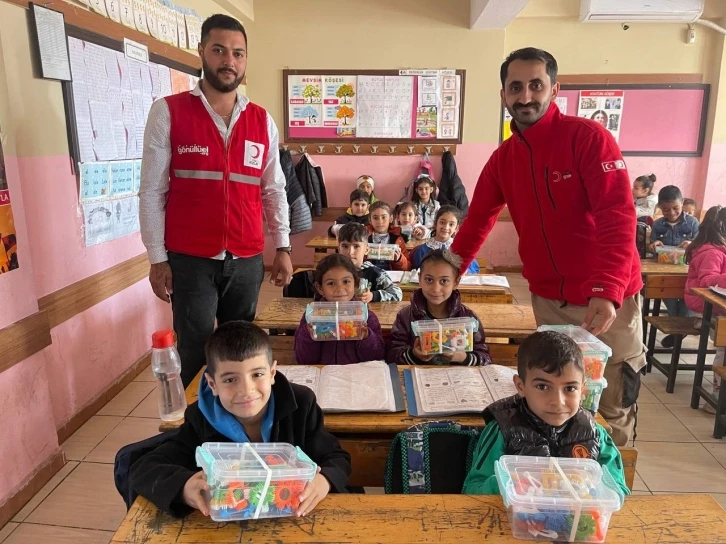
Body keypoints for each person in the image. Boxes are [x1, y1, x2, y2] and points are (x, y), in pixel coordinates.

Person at [451, 47, 644, 447]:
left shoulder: (588, 138)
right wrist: (450, 268)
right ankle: (561, 485)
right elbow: (478, 219)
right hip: (550, 302)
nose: (525, 97)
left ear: (554, 89)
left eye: (535, 85)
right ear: (503, 94)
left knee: (611, 404)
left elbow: (618, 215)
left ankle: (612, 490)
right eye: (515, 87)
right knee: (556, 402)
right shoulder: (503, 158)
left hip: (609, 301)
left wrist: (607, 290)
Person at [139, 14, 293, 387]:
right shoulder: (169, 112)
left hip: (246, 259)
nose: (229, 61)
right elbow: (151, 191)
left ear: (245, 60)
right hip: (190, 260)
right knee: (194, 349)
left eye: (238, 53)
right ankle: (199, 431)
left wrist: (284, 245)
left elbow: (273, 189)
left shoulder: (261, 120)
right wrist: (157, 258)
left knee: (241, 350)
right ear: (202, 52)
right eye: (219, 50)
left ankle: (237, 425)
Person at [129, 321, 351, 517]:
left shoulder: (301, 405)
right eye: (230, 380)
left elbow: (336, 458)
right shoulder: (200, 419)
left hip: (292, 517)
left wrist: (325, 480)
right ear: (212, 384)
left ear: (273, 374)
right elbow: (145, 467)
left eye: (257, 374)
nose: (246, 390)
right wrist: (184, 487)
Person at [462, 330, 630, 496]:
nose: (558, 401)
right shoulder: (501, 430)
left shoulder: (595, 434)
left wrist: (592, 485)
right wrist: (509, 481)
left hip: (578, 519)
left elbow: (618, 490)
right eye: (542, 387)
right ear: (521, 386)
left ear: (583, 389)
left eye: (570, 388)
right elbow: (473, 489)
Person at [387, 250, 491, 366]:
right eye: (429, 280)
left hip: (458, 380)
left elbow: (485, 359)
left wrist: (463, 358)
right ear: (420, 278)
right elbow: (392, 355)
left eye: (444, 281)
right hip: (418, 379)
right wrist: (413, 355)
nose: (436, 289)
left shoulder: (468, 318)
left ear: (456, 282)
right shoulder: (405, 316)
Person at [294, 254, 385, 365]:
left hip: (355, 376)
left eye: (346, 281)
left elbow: (376, 357)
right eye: (331, 283)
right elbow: (304, 360)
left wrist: (366, 337)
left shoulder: (366, 317)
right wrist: (308, 334)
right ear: (320, 288)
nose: (340, 288)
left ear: (355, 284)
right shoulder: (312, 316)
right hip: (323, 375)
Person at [684, 205, 726, 413]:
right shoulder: (712, 252)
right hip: (705, 305)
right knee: (724, 346)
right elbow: (708, 280)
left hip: (717, 305)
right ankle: (717, 396)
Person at [650, 185, 700, 346]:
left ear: (682, 203)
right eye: (665, 209)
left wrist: (692, 244)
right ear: (660, 208)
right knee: (665, 292)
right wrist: (654, 245)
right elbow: (653, 246)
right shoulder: (657, 225)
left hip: (687, 272)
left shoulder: (692, 223)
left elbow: (700, 246)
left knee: (688, 297)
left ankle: (678, 331)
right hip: (665, 272)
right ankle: (681, 329)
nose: (671, 213)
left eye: (675, 208)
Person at [337, 223, 403, 302]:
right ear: (339, 248)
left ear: (366, 249)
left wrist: (373, 295)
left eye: (356, 246)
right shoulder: (332, 271)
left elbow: (397, 293)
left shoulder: (374, 273)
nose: (350, 252)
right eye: (345, 246)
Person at [411, 206, 479, 273]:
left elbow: (474, 269)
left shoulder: (460, 250)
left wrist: (462, 272)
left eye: (451, 224)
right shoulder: (423, 250)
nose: (446, 227)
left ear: (456, 228)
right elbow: (415, 270)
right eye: (442, 222)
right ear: (435, 223)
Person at [366, 201, 410, 271]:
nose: (380, 221)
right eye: (375, 218)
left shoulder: (398, 239)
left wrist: (399, 259)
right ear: (370, 220)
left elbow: (408, 267)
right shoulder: (364, 238)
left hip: (391, 277)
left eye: (383, 217)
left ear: (391, 219)